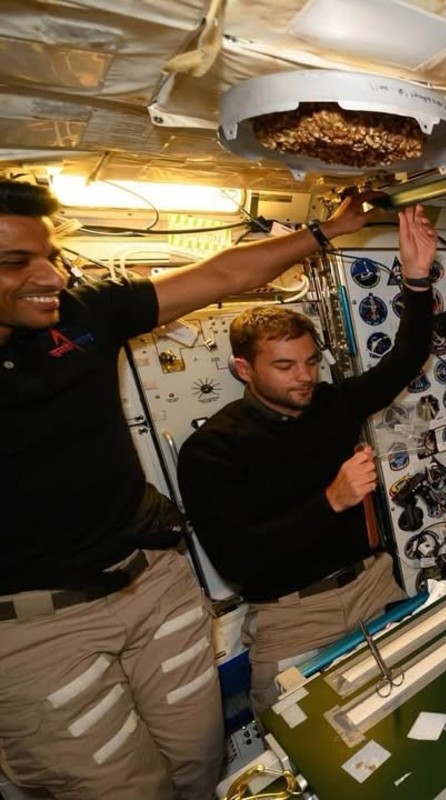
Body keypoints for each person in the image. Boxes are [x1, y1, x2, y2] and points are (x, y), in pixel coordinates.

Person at [0, 179, 381, 799]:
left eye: (50, 255)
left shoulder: (82, 315)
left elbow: (222, 274)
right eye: (16, 262)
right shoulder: (218, 448)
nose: (50, 276)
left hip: (151, 581)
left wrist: (326, 231)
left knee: (199, 763)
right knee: (120, 791)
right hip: (37, 622)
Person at [178, 206, 436, 717]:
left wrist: (416, 279)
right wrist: (332, 500)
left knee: (406, 714)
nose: (304, 377)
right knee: (300, 736)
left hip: (371, 587)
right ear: (244, 368)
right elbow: (237, 560)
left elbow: (404, 359)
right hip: (294, 616)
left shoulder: (330, 405)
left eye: (311, 362)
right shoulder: (213, 449)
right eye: (284, 366)